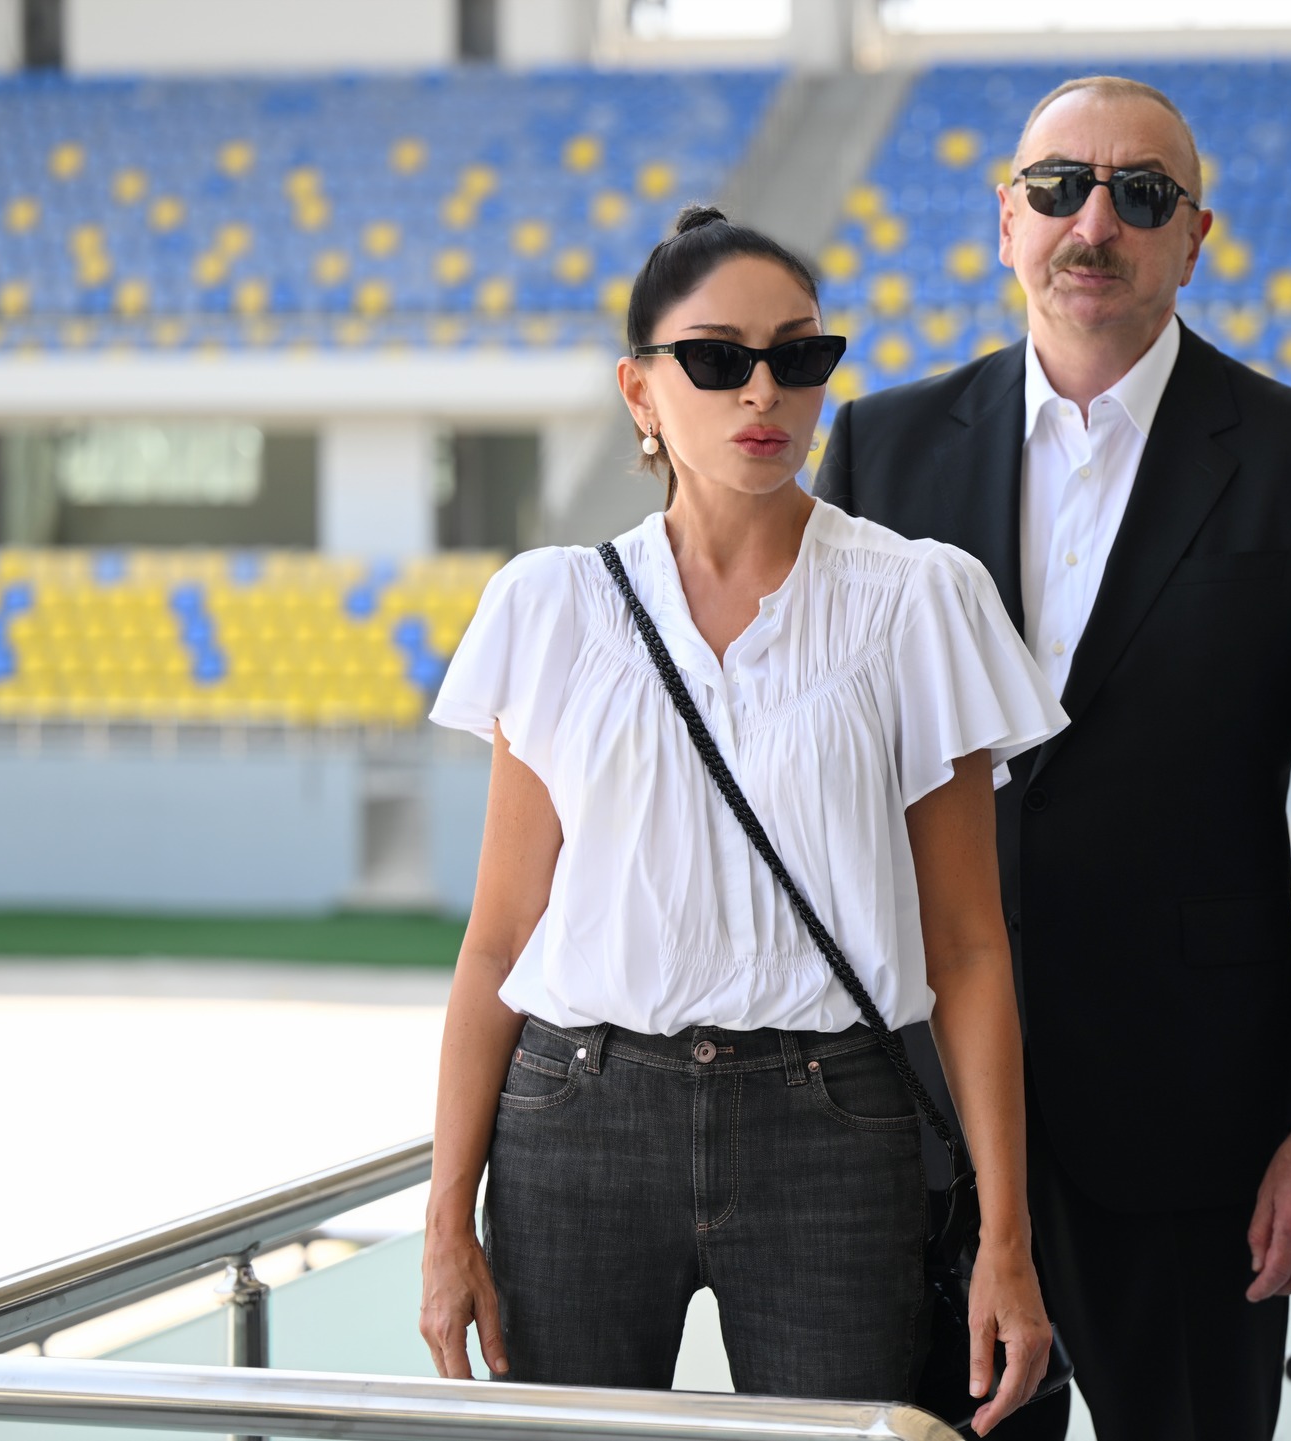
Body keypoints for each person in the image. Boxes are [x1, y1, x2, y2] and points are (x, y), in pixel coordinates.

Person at [815, 77, 1291, 1441]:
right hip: (922, 1127)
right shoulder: (879, 449)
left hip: (1199, 1132)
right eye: (1058, 188)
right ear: (1006, 222)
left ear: (1194, 238)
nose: (1093, 223)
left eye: (1140, 195)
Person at [416, 204, 1062, 1436]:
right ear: (640, 392)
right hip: (577, 1116)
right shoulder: (552, 606)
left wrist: (1005, 1237)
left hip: (832, 1123)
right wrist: (446, 1219)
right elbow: (497, 939)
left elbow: (969, 948)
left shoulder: (919, 599)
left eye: (797, 356)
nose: (763, 389)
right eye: (716, 359)